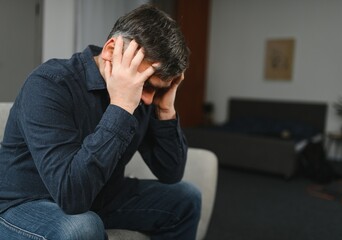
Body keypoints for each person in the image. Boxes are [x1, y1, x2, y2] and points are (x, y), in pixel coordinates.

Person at [0, 4, 201, 240]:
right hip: (25, 204)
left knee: (185, 198)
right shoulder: (49, 84)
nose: (146, 98)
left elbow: (171, 173)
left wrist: (164, 108)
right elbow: (71, 196)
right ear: (110, 50)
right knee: (81, 226)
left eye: (157, 90)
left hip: (101, 196)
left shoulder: (148, 100)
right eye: (145, 85)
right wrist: (122, 107)